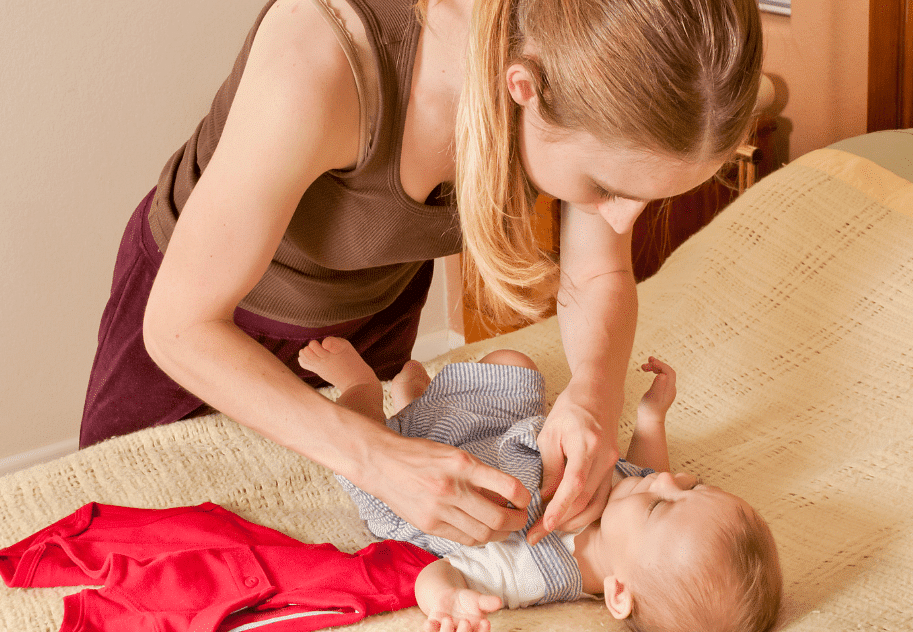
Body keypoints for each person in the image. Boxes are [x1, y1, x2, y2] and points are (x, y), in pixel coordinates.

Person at [81, 0, 764, 548]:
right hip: (207, 326)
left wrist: (594, 393)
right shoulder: (320, 56)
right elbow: (179, 328)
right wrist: (375, 460)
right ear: (522, 89)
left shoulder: (572, 64)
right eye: (605, 188)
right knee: (126, 540)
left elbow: (595, 274)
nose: (620, 220)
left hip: (369, 318)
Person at [298, 337, 782, 632]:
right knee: (514, 365)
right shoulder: (631, 503)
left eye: (662, 504)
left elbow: (438, 570)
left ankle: (361, 387)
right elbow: (652, 470)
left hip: (419, 487)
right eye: (693, 487)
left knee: (359, 447)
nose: (670, 480)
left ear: (617, 592)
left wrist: (448, 600)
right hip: (499, 437)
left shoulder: (535, 572)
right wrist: (652, 416)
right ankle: (419, 401)